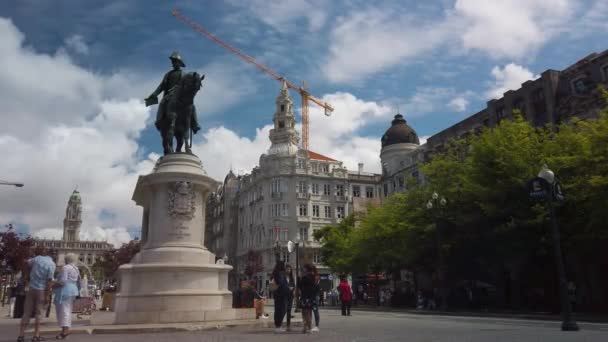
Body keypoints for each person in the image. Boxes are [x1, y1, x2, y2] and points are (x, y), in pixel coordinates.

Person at [16, 249, 56, 342]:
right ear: (54, 256)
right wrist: (47, 295)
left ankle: (21, 335)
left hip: (31, 288)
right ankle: (36, 335)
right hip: (41, 290)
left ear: (46, 253)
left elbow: (26, 262)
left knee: (26, 312)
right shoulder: (52, 264)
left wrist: (26, 276)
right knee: (39, 313)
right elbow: (49, 281)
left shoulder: (37, 258)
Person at [52, 254, 81, 339]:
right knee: (67, 310)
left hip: (65, 290)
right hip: (73, 290)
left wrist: (53, 284)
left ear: (66, 260)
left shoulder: (66, 268)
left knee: (64, 311)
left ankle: (65, 331)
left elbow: (63, 281)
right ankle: (65, 329)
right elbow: (78, 280)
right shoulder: (76, 268)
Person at [270, 260, 289, 333]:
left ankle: (277, 326)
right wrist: (288, 289)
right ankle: (278, 326)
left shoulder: (275, 273)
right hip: (282, 294)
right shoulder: (281, 273)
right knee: (283, 309)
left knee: (277, 310)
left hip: (276, 294)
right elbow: (282, 284)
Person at [298, 264, 316, 334]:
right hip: (311, 297)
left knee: (305, 312)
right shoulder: (313, 276)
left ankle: (307, 328)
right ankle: (307, 327)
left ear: (307, 269)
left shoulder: (305, 277)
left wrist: (299, 278)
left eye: (304, 268)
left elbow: (300, 286)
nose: (303, 269)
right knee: (309, 312)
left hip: (305, 296)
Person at [284, 264, 296, 331]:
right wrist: (287, 288)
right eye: (287, 269)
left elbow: (294, 285)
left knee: (289, 310)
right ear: (285, 269)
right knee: (284, 310)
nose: (288, 270)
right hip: (285, 295)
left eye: (289, 269)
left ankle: (288, 325)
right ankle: (279, 324)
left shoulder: (291, 278)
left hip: (290, 295)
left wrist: (293, 289)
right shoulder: (283, 277)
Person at [311, 268, 321, 332]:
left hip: (315, 296)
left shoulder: (316, 277)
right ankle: (314, 325)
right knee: (313, 311)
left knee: (315, 310)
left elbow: (315, 286)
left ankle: (317, 326)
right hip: (313, 296)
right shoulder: (314, 277)